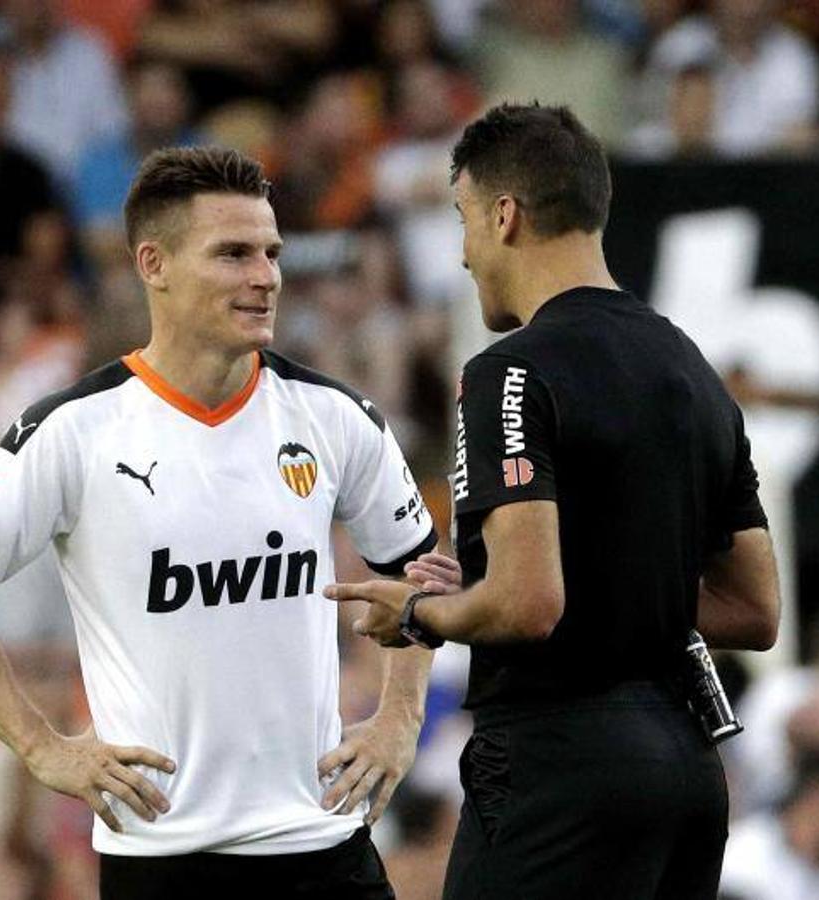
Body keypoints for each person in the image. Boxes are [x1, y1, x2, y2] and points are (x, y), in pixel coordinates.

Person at [0, 146, 440, 899]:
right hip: (164, 858)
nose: (265, 276)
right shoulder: (73, 432)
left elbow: (418, 568)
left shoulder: (334, 418)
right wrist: (42, 747)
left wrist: (399, 718)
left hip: (323, 843)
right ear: (153, 264)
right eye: (232, 254)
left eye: (271, 253)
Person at [326, 103, 782, 899]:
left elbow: (528, 604)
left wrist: (416, 613)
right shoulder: (690, 368)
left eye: (462, 219)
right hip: (686, 774)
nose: (464, 255)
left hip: (561, 770)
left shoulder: (508, 372)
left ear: (504, 216)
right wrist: (613, 593)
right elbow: (754, 608)